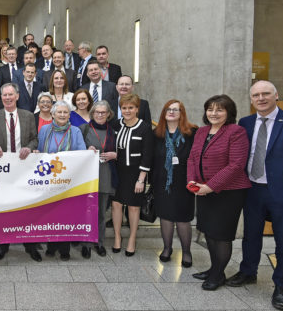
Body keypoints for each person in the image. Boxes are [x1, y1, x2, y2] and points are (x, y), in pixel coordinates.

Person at [228, 80, 283, 309]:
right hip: (253, 188)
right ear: (251, 99)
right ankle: (248, 271)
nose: (261, 98)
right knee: (251, 235)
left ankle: (282, 285)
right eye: (256, 95)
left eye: (266, 94)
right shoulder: (245, 123)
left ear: (276, 96)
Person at [187, 94, 250, 291]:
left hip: (228, 192)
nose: (214, 113)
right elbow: (192, 158)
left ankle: (216, 276)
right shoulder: (202, 131)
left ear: (229, 112)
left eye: (219, 109)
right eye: (210, 109)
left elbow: (236, 165)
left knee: (221, 235)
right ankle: (216, 269)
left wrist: (211, 186)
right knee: (209, 232)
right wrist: (192, 180)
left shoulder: (236, 132)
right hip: (204, 189)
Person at [0, 83, 41, 262]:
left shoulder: (28, 116)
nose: (7, 98)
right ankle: (3, 244)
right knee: (5, 208)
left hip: (24, 169)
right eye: (4, 95)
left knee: (27, 208)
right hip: (3, 171)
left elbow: (34, 139)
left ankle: (30, 245)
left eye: (10, 95)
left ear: (17, 96)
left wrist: (29, 148)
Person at [38, 100, 87, 260]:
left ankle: (64, 248)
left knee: (66, 214)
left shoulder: (76, 131)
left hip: (69, 181)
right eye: (59, 112)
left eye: (65, 112)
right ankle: (51, 245)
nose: (62, 115)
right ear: (52, 114)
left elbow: (82, 154)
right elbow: (39, 152)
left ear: (69, 115)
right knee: (50, 213)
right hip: (49, 180)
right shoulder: (44, 130)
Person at [152, 100, 197, 268]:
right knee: (165, 217)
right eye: (168, 109)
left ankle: (186, 251)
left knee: (183, 218)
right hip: (162, 182)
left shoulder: (192, 133)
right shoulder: (157, 134)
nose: (171, 112)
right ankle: (167, 248)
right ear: (164, 113)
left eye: (176, 110)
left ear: (182, 113)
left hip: (184, 182)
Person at [111, 94, 153, 257]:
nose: (127, 111)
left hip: (135, 173)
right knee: (116, 205)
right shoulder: (116, 125)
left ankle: (132, 239)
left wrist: (141, 179)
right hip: (117, 172)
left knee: (134, 207)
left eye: (131, 108)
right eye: (124, 108)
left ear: (137, 109)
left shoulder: (144, 127)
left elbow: (147, 155)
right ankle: (117, 237)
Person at [79, 100, 118, 257]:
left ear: (109, 114)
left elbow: (122, 150)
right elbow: (75, 149)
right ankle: (85, 244)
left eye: (103, 112)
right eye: (97, 112)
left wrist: (116, 155)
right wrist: (85, 149)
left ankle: (99, 242)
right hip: (86, 178)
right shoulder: (84, 129)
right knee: (86, 212)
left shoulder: (114, 131)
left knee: (101, 213)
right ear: (92, 113)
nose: (100, 115)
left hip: (106, 175)